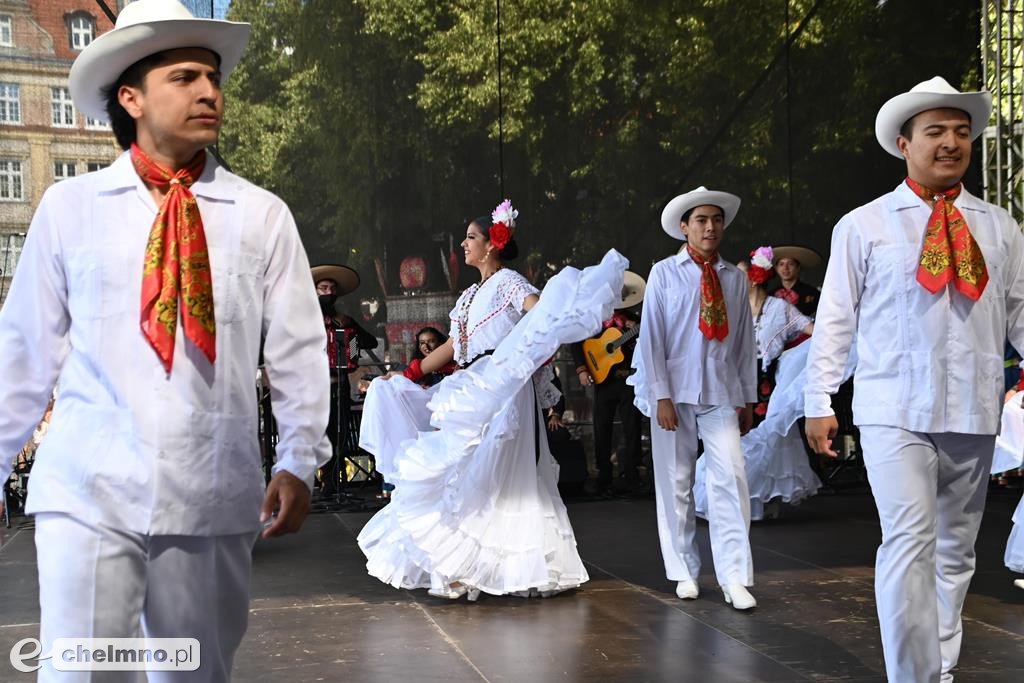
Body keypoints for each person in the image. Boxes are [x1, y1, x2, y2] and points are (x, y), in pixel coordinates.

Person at [0, 1, 331, 679]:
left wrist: (300, 455)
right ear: (132, 97)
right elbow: (25, 351)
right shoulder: (71, 209)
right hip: (87, 487)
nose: (209, 91)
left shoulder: (261, 216)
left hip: (207, 487)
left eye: (212, 76)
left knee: (195, 671)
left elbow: (297, 348)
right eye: (184, 77)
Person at [804, 76, 1024, 683]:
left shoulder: (998, 226)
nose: (951, 142)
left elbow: (1020, 310)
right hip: (893, 407)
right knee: (908, 541)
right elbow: (836, 320)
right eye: (935, 132)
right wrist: (818, 398)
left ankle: (941, 666)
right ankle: (913, 677)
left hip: (974, 406)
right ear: (904, 143)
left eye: (961, 131)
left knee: (956, 549)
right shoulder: (865, 225)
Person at [357, 200, 626, 599]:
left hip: (504, 392)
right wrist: (412, 373)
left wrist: (527, 351)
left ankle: (485, 567)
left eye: (470, 238)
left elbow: (541, 315)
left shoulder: (512, 284)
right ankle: (466, 563)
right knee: (464, 473)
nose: (464, 245)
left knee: (495, 474)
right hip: (471, 388)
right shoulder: (468, 295)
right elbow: (453, 345)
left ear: (492, 244)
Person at [629, 186, 758, 610]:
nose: (710, 227)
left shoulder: (735, 279)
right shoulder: (665, 273)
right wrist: (660, 395)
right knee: (676, 482)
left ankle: (735, 576)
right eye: (701, 220)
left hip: (721, 390)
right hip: (675, 391)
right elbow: (652, 339)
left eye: (716, 220)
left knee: (732, 479)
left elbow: (743, 342)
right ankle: (684, 571)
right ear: (684, 227)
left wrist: (746, 399)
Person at [694, 246, 817, 521]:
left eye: (737, 276)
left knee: (764, 443)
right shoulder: (731, 310)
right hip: (734, 383)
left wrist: (795, 358)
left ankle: (757, 503)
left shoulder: (779, 308)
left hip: (766, 385)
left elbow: (813, 330)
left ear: (752, 278)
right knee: (731, 441)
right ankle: (731, 501)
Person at [571, 271, 646, 496]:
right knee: (601, 430)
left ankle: (631, 476)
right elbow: (577, 343)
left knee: (632, 429)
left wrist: (637, 331)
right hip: (603, 382)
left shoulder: (638, 321)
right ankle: (604, 478)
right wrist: (582, 369)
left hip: (628, 380)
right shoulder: (595, 320)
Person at [312, 264, 377, 498]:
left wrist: (352, 344)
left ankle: (335, 484)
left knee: (338, 436)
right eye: (323, 288)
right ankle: (320, 483)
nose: (328, 292)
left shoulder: (343, 320)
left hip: (338, 386)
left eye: (332, 288)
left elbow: (369, 342)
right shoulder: (302, 318)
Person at [767, 245, 822, 318]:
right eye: (781, 264)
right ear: (776, 268)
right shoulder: (770, 296)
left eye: (790, 264)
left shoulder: (813, 293)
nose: (785, 268)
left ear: (798, 267)